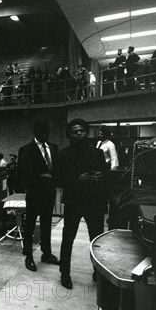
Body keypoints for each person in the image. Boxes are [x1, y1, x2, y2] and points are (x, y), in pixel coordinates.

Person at [54, 119, 109, 289]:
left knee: (97, 239)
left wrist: (101, 177)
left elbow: (106, 176)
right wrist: (78, 179)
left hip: (94, 201)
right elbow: (57, 178)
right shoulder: (63, 155)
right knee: (68, 238)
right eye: (75, 131)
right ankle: (65, 273)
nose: (79, 134)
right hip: (74, 201)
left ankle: (97, 272)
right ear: (69, 135)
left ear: (86, 132)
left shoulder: (97, 153)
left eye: (82, 131)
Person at [18, 122, 60, 272]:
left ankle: (46, 253)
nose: (44, 133)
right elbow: (23, 173)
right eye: (40, 130)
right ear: (34, 131)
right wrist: (40, 178)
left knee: (46, 223)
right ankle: (28, 255)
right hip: (35, 193)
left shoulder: (54, 148)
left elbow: (58, 169)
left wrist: (53, 178)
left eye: (46, 130)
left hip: (49, 193)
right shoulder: (26, 150)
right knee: (30, 224)